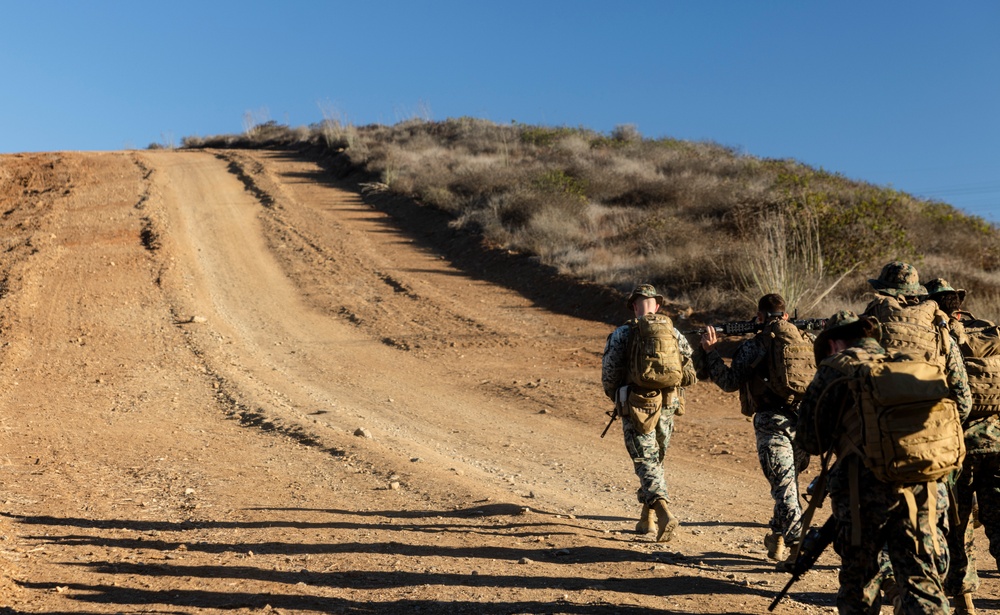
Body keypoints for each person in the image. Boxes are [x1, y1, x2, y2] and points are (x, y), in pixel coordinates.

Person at [796, 310, 971, 614]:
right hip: (925, 486)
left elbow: (811, 440)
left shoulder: (836, 367)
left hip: (863, 493)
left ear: (835, 343)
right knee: (922, 583)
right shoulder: (908, 362)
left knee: (860, 583)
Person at [699, 293, 811, 563]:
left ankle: (796, 546)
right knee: (788, 485)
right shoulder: (807, 341)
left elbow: (728, 382)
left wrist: (711, 353)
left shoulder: (755, 346)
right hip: (804, 426)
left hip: (771, 424)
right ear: (785, 316)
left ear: (760, 317)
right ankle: (778, 536)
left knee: (784, 487)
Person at [927, 278, 1000, 615]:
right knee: (998, 516)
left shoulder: (936, 336)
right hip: (997, 440)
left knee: (960, 523)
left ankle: (964, 598)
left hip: (958, 444)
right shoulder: (989, 331)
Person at [602, 284, 697, 542]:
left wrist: (618, 397)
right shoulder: (673, 333)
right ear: (656, 305)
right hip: (668, 404)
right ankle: (648, 519)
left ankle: (663, 511)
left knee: (646, 461)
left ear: (634, 306)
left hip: (636, 405)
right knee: (655, 459)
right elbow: (690, 373)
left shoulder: (622, 333)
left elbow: (609, 374)